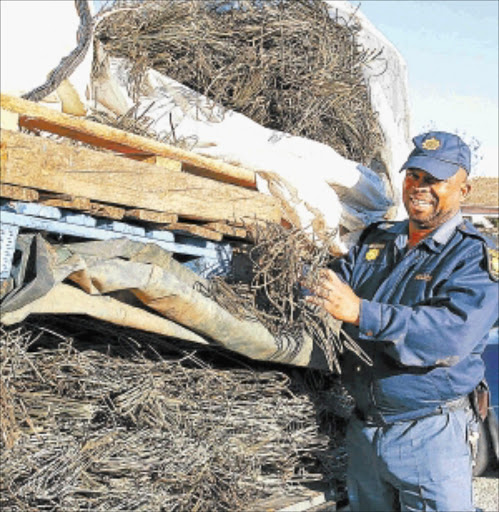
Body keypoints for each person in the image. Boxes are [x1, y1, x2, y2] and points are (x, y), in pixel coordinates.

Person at [307, 131, 499, 511]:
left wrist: (362, 312)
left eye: (434, 180)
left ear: (464, 189)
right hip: (365, 431)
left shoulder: (473, 258)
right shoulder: (376, 242)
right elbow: (329, 283)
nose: (419, 187)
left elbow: (451, 335)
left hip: (430, 435)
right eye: (413, 175)